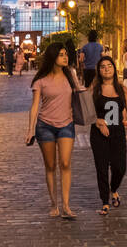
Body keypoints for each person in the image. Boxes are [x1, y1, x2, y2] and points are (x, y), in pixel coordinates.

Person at [25, 42, 85, 219]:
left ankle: (66, 205)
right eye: (61, 54)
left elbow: (81, 93)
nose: (66, 57)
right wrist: (30, 130)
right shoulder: (40, 80)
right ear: (52, 57)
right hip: (45, 126)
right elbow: (35, 106)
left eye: (66, 54)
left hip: (67, 124)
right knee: (50, 166)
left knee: (65, 163)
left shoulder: (71, 75)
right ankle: (54, 203)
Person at [90, 56, 127, 215]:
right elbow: (87, 111)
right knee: (102, 168)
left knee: (120, 167)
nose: (106, 69)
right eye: (103, 66)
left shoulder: (121, 88)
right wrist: (98, 122)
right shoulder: (95, 88)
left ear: (113, 68)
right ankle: (105, 202)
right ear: (99, 70)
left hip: (117, 132)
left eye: (109, 66)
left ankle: (114, 189)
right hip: (99, 134)